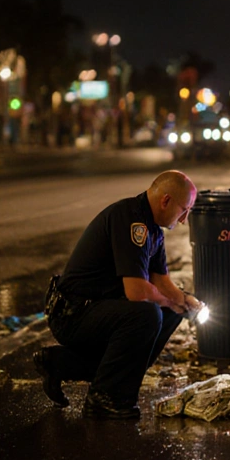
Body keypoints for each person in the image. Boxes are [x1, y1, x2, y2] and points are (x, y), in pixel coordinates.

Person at [33, 170, 203, 418]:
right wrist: (171, 301)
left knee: (168, 311)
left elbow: (161, 280)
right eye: (184, 210)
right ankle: (105, 397)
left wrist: (185, 302)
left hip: (96, 309)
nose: (185, 219)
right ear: (165, 201)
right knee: (145, 315)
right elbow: (136, 292)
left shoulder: (153, 228)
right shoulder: (131, 220)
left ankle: (60, 363)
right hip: (73, 314)